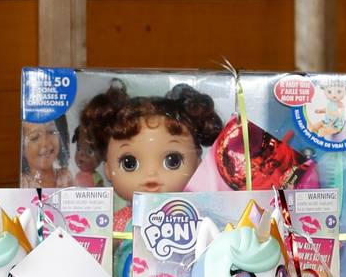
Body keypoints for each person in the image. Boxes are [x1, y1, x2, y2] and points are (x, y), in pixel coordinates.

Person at [79, 80, 223, 231]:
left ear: (198, 164)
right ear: (107, 169)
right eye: (129, 163)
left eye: (172, 161)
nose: (151, 175)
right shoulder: (121, 221)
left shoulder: (194, 219)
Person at [20, 118, 73, 188]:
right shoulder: (23, 183)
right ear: (22, 148)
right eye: (35, 137)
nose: (45, 142)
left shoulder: (66, 176)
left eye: (51, 132)